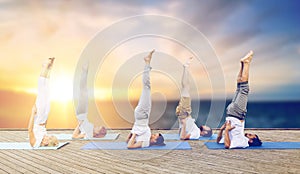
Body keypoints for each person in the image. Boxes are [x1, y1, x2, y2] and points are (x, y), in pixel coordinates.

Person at [217, 50, 262, 149]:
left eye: (251, 135)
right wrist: (222, 130)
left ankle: (246, 63)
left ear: (251, 141)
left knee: (244, 89)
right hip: (230, 113)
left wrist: (226, 130)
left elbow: (227, 146)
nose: (249, 134)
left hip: (237, 114)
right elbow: (218, 141)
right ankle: (242, 65)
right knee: (239, 87)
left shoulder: (243, 143)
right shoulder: (240, 137)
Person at [127, 50, 165, 149]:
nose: (154, 134)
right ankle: (147, 64)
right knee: (146, 88)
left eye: (156, 136)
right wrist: (133, 132)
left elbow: (129, 146)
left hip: (142, 114)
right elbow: (127, 140)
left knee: (147, 87)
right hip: (142, 115)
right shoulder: (146, 137)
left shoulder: (145, 143)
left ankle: (147, 62)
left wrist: (135, 133)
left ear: (155, 140)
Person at [176, 57, 213, 140]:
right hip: (185, 114)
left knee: (186, 87)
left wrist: (184, 124)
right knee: (185, 88)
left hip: (184, 113)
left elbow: (183, 137)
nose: (206, 126)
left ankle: (186, 67)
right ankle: (186, 67)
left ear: (205, 132)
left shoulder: (196, 134)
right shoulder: (196, 131)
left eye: (207, 128)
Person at [28, 57, 59, 148]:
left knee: (42, 90)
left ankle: (45, 67)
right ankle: (49, 69)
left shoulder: (35, 143)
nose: (47, 136)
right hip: (43, 118)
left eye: (48, 138)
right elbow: (43, 128)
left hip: (37, 118)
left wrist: (32, 113)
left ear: (45, 143)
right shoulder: (43, 139)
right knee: (47, 91)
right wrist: (45, 119)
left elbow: (30, 130)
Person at [72, 63, 107, 139]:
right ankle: (84, 73)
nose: (97, 126)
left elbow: (74, 136)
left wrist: (79, 124)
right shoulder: (91, 130)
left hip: (81, 114)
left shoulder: (88, 134)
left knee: (82, 91)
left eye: (98, 128)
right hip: (84, 113)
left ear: (97, 132)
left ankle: (84, 72)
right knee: (84, 91)